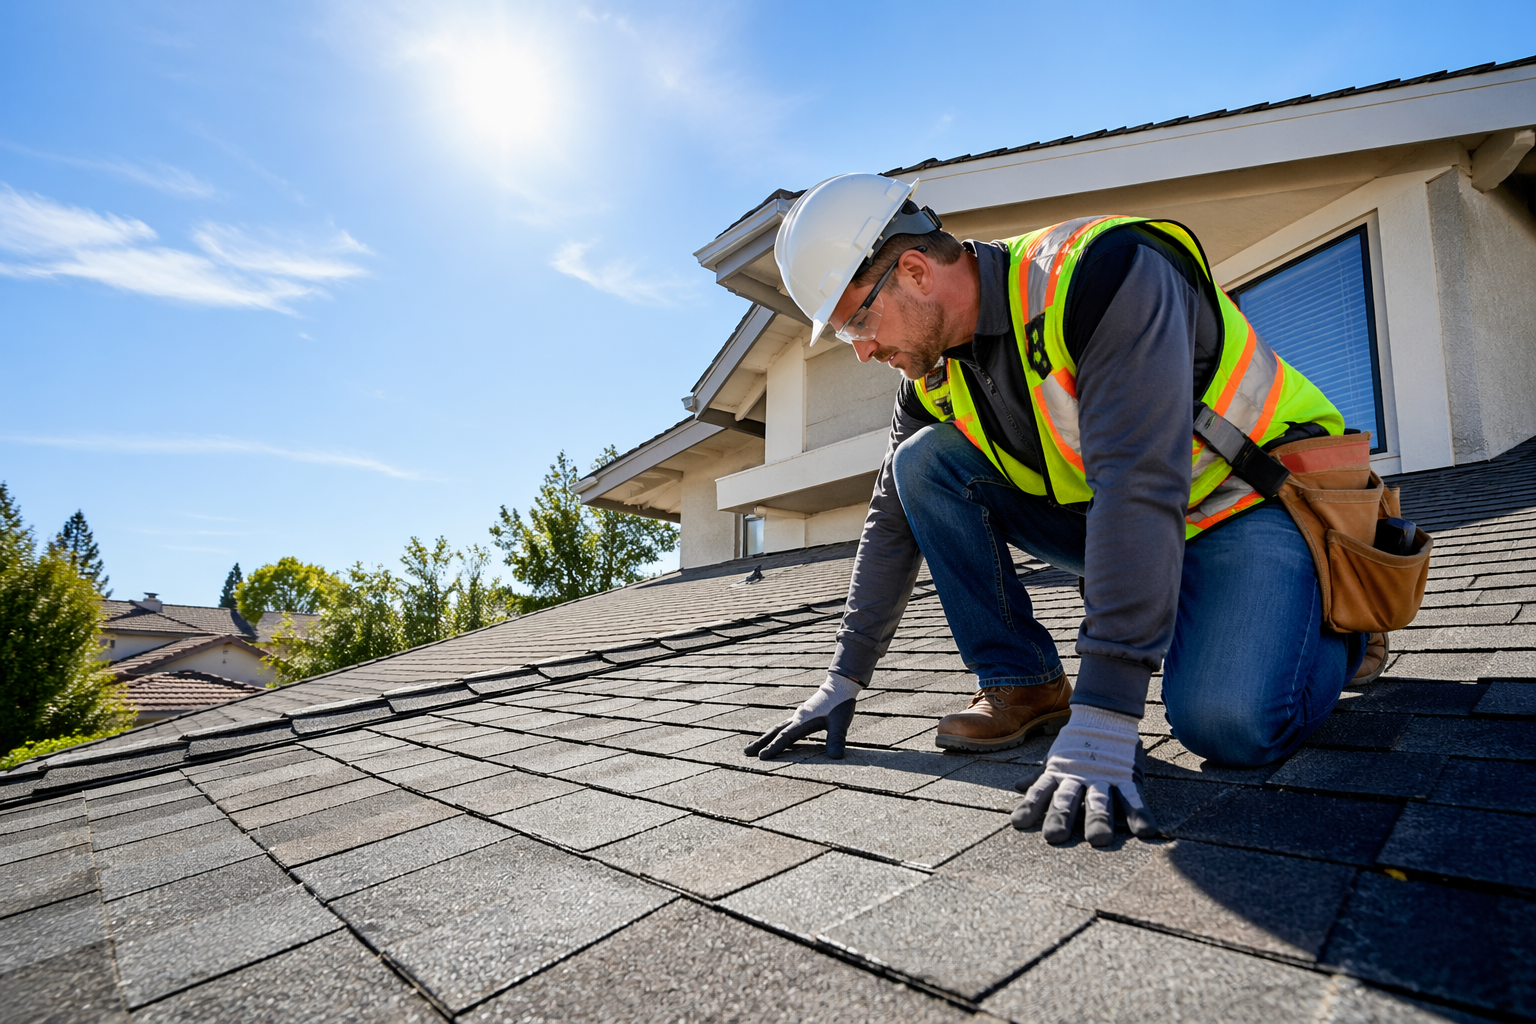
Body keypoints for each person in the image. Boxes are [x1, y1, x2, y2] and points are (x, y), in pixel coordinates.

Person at [745, 173, 1370, 848]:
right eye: (846, 335)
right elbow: (890, 520)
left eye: (859, 320)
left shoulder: (1101, 274)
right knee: (920, 464)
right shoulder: (930, 377)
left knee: (1230, 726)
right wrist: (844, 675)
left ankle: (1343, 621)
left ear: (917, 272)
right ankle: (1024, 685)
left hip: (1250, 496)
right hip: (1125, 520)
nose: (863, 349)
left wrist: (1107, 711)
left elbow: (1140, 481)